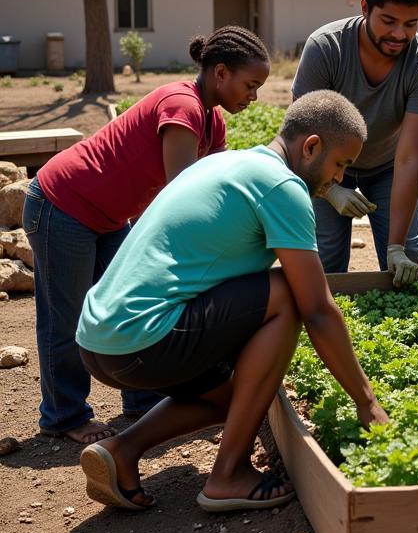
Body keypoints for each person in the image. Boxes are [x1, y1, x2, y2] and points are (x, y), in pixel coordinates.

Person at [75, 90, 388, 512]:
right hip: (142, 342)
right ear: (311, 146)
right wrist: (365, 400)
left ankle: (123, 450)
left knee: (235, 395)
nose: (337, 179)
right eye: (340, 165)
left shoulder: (227, 163)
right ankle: (229, 475)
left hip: (98, 343)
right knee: (288, 294)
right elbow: (317, 307)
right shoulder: (281, 186)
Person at [23, 26, 270, 446]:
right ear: (221, 73)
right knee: (67, 318)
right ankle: (63, 415)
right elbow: (183, 197)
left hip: (108, 217)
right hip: (62, 205)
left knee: (131, 304)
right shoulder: (183, 106)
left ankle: (141, 400)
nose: (254, 97)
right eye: (250, 85)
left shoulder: (212, 123)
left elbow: (222, 185)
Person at [291, 0, 418, 288]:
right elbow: (300, 139)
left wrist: (396, 246)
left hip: (389, 165)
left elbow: (410, 157)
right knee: (327, 262)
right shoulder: (326, 48)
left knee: (409, 263)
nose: (399, 35)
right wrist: (330, 189)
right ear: (364, 8)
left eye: (411, 24)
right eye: (388, 21)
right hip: (327, 164)